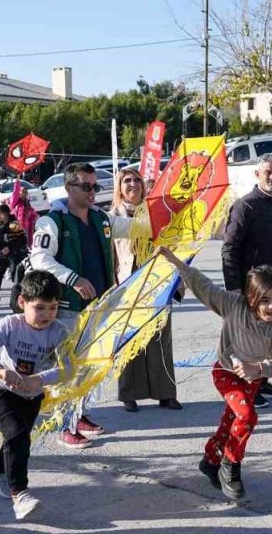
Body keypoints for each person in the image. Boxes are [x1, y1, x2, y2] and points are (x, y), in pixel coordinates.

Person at [157, 248, 272, 501]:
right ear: (251, 297)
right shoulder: (233, 305)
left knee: (230, 423)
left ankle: (210, 459)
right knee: (247, 416)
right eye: (265, 300)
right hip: (225, 372)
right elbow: (203, 285)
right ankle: (230, 467)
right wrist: (177, 262)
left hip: (252, 380)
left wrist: (260, 368)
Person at [29, 162, 131, 448]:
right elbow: (40, 258)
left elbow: (138, 228)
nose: (92, 192)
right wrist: (72, 278)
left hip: (100, 306)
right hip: (66, 307)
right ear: (69, 187)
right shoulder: (52, 221)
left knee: (90, 366)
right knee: (66, 368)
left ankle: (80, 414)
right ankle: (64, 424)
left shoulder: (101, 218)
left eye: (95, 186)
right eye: (86, 186)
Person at [0, 270, 69, 520]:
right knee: (16, 434)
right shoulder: (10, 324)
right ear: (22, 302)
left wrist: (40, 379)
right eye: (40, 308)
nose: (47, 315)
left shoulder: (59, 331)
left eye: (53, 307)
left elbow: (67, 368)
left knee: (17, 438)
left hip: (33, 396)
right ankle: (20, 493)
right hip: (1, 393)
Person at [221, 154, 272, 406]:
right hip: (251, 289)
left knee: (267, 340)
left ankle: (262, 380)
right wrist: (233, 286)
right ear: (257, 174)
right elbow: (230, 248)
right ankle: (245, 390)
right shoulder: (246, 206)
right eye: (268, 172)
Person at [112, 168, 180, 412]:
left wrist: (176, 281)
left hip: (157, 283)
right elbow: (110, 256)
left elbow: (172, 246)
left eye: (136, 180)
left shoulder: (157, 214)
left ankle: (166, 393)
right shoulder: (112, 216)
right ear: (119, 187)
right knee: (129, 340)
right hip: (128, 285)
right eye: (126, 181)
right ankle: (129, 394)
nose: (133, 184)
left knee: (161, 339)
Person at [0, 205, 29, 307]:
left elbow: (23, 240)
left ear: (3, 214)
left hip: (14, 255)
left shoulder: (14, 224)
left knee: (16, 278)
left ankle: (21, 298)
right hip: (2, 255)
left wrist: (10, 247)